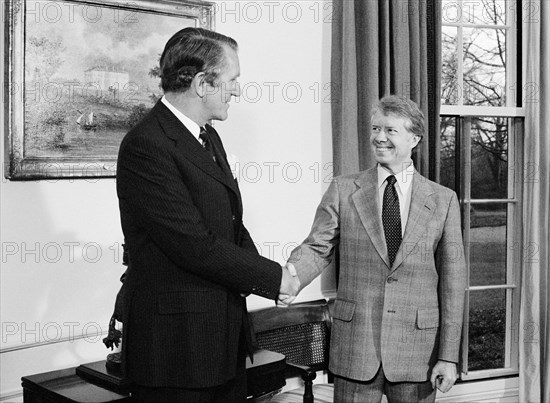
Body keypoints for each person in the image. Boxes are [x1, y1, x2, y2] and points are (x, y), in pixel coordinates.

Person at [116, 27, 299, 402]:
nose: (236, 89)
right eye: (232, 80)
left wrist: (270, 277)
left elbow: (230, 223)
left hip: (221, 342)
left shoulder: (206, 135)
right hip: (175, 353)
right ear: (203, 83)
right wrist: (275, 277)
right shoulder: (145, 145)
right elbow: (193, 244)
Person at [286, 95, 466, 402]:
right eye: (375, 129)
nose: (379, 137)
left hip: (417, 352)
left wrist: (448, 356)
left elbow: (453, 283)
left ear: (415, 138)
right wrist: (288, 276)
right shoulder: (344, 189)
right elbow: (317, 247)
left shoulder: (443, 200)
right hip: (356, 348)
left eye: (390, 130)